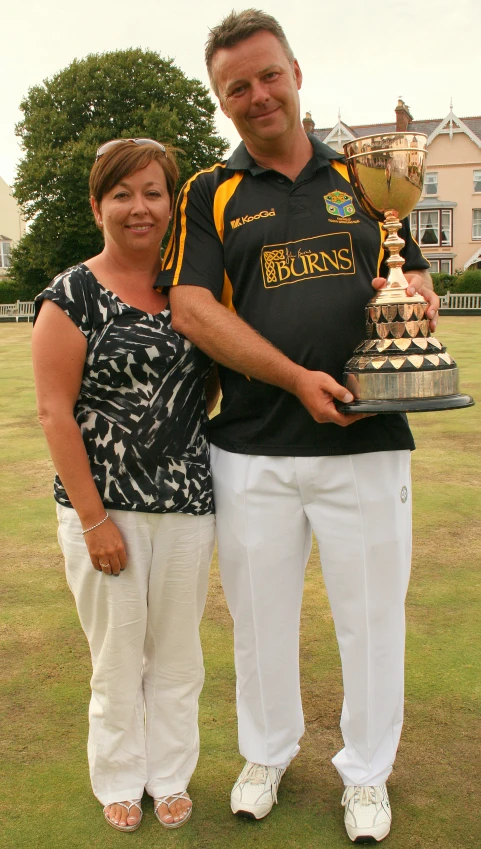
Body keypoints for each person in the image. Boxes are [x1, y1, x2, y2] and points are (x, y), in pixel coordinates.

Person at [161, 10, 440, 844]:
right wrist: (289, 377)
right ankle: (266, 751)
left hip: (366, 440)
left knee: (370, 618)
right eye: (235, 86)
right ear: (222, 99)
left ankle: (365, 773)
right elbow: (190, 306)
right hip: (251, 447)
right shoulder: (210, 189)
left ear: (295, 72)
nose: (256, 95)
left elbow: (410, 281)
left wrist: (417, 307)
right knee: (259, 617)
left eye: (266, 74)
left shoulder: (363, 174)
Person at [32, 139, 217, 833]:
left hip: (188, 504)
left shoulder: (193, 289)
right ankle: (117, 775)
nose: (139, 207)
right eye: (122, 193)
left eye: (152, 192)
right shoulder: (71, 293)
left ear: (171, 203)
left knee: (177, 653)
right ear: (97, 204)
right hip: (103, 507)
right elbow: (54, 410)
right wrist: (92, 519)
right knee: (116, 655)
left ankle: (169, 774)